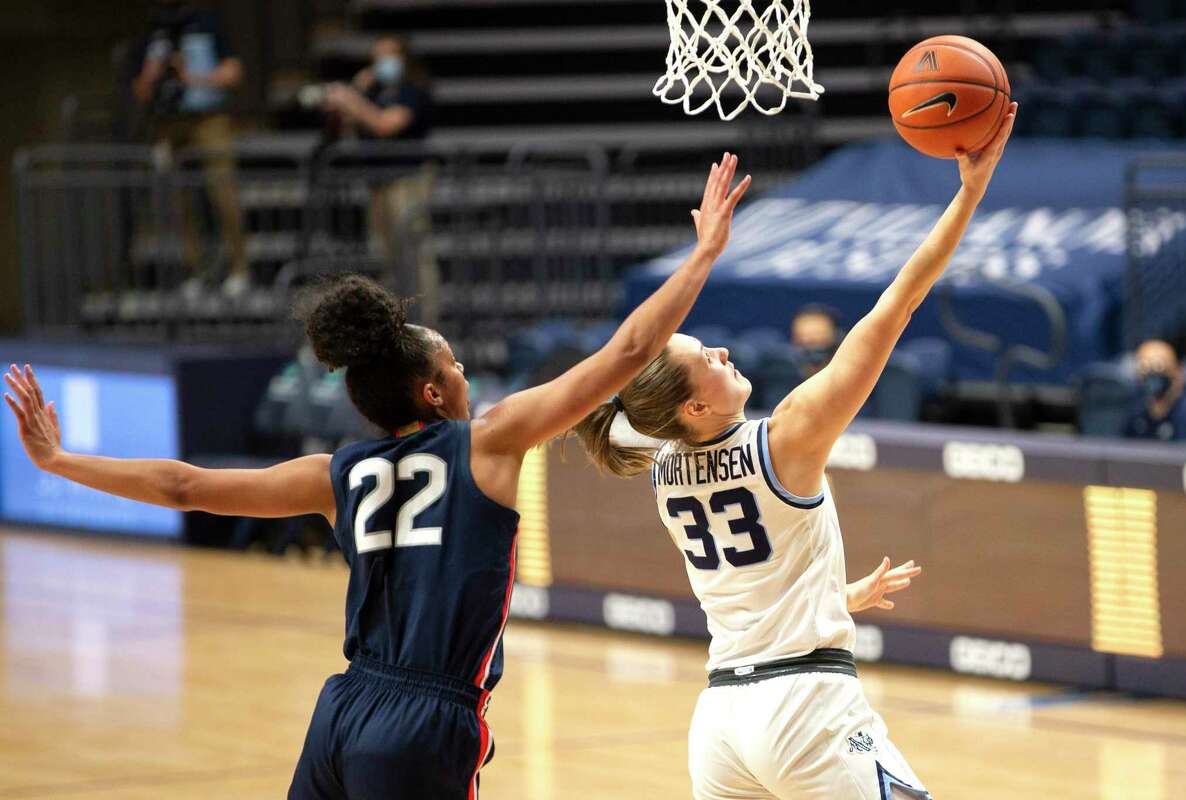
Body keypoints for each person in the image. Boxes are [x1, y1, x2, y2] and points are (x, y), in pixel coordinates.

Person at [3, 154, 752, 800]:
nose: (464, 375)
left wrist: (59, 462)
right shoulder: (486, 444)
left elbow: (184, 486)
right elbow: (626, 354)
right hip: (425, 727)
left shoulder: (338, 473)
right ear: (434, 394)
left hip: (341, 711)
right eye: (455, 365)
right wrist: (703, 256)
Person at [573, 104, 1018, 799]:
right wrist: (968, 193)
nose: (721, 350)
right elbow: (895, 306)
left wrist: (832, 600)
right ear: (693, 408)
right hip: (804, 708)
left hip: (721, 723)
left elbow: (621, 377)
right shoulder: (787, 437)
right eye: (706, 360)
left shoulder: (660, 462)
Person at [129, 0, 249, 301]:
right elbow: (140, 92)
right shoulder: (152, 33)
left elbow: (234, 73)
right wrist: (154, 72)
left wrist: (192, 77)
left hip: (209, 118)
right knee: (180, 201)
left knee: (223, 191)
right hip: (170, 123)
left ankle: (239, 270)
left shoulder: (206, 23)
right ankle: (196, 271)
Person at [323, 36, 439, 325]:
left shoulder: (413, 90)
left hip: (407, 180)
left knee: (413, 253)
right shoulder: (373, 91)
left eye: (390, 54)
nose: (383, 62)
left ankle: (427, 325)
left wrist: (352, 99)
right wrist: (355, 93)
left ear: (404, 58)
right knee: (385, 257)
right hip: (377, 182)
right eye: (378, 56)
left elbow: (385, 124)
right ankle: (395, 325)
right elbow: (347, 128)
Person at [1123, 339, 1186, 442]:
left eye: (1159, 367)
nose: (1151, 374)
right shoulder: (1137, 412)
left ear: (1177, 373)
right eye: (1144, 368)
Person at [790, 303, 842, 379]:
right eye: (805, 338)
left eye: (820, 337)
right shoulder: (782, 378)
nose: (813, 348)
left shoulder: (851, 375)